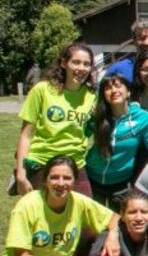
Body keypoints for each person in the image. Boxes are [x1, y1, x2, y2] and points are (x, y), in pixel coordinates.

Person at [15, 42, 97, 196]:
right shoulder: (42, 90)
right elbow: (25, 136)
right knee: (42, 211)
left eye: (86, 64)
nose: (81, 68)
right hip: (42, 163)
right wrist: (20, 174)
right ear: (64, 63)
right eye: (76, 62)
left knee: (85, 210)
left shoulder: (92, 96)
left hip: (76, 165)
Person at [85, 74, 148, 209]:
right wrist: (90, 117)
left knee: (119, 220)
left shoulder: (143, 118)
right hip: (91, 180)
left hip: (121, 183)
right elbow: (80, 137)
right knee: (91, 221)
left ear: (128, 92)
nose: (114, 90)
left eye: (118, 86)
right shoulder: (96, 116)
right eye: (108, 88)